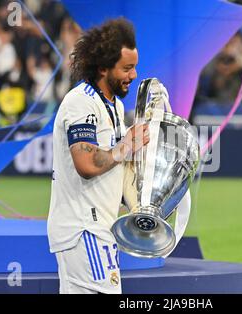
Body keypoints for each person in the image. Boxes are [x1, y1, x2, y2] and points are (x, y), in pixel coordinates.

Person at [47, 17, 149, 294]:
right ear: (103, 67)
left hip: (100, 227)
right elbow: (87, 163)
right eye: (127, 68)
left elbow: (113, 165)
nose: (134, 75)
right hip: (84, 229)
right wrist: (127, 146)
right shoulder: (81, 102)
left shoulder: (113, 106)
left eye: (135, 66)